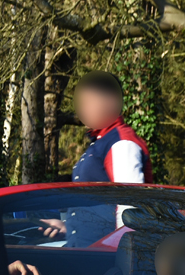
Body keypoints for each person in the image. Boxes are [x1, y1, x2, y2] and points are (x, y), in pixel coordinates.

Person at [39, 72, 153, 245]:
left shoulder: (121, 143)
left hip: (103, 259)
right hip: (87, 251)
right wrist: (67, 226)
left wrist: (121, 258)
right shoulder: (101, 142)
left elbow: (130, 207)